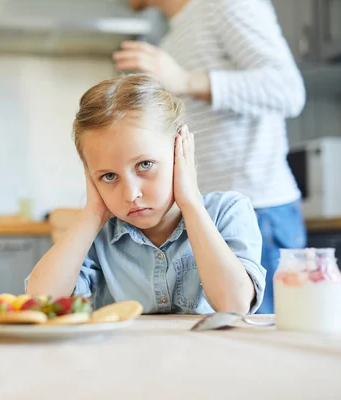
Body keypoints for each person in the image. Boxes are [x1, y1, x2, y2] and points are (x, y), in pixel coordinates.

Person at [113, 0, 307, 313]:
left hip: (258, 211)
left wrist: (187, 81)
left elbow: (288, 90)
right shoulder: (172, 35)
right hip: (206, 215)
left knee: (263, 348)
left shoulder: (227, 4)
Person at [26, 74, 266, 315]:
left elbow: (235, 305)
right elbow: (42, 302)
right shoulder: (97, 236)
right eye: (108, 176)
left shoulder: (228, 211)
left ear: (180, 151)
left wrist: (191, 204)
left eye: (145, 165)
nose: (131, 194)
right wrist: (93, 212)